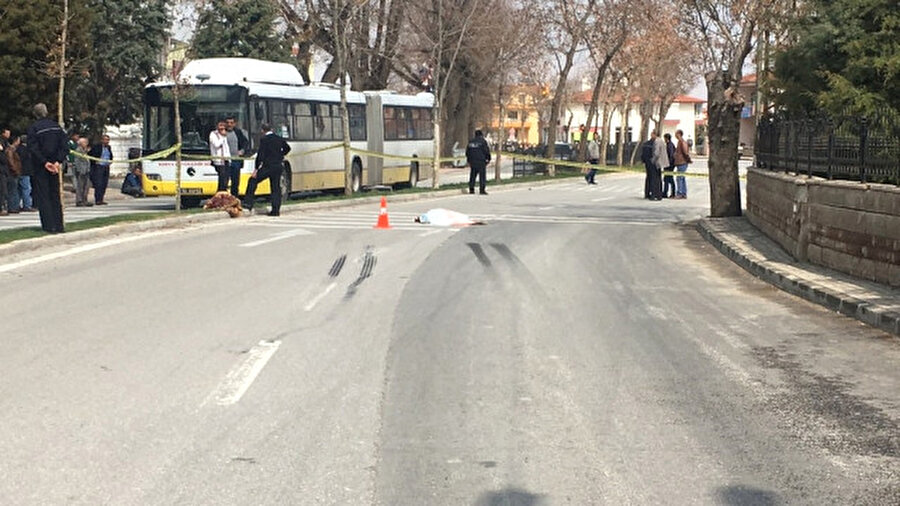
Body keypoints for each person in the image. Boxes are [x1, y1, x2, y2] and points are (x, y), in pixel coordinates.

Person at [26, 103, 68, 233]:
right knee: (55, 195)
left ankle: (49, 225)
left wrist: (45, 162)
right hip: (54, 166)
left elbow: (33, 148)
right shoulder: (57, 127)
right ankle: (59, 224)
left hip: (41, 166)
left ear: (35, 114)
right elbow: (64, 146)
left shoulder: (34, 128)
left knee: (44, 196)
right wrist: (57, 161)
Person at [242, 123, 290, 216]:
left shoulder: (264, 140)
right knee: (275, 188)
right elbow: (287, 148)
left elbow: (260, 155)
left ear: (262, 130)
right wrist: (281, 155)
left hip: (268, 166)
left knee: (252, 181)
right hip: (278, 166)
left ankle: (248, 203)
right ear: (271, 129)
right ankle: (275, 210)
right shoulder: (278, 138)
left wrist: (256, 169)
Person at [225, 116, 250, 197]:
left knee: (235, 180)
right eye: (227, 123)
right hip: (225, 160)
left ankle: (234, 197)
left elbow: (245, 143)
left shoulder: (238, 132)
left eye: (231, 123)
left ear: (234, 124)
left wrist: (242, 151)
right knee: (224, 180)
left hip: (236, 160)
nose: (229, 124)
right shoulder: (222, 133)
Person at [465, 129, 491, 195]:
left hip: (473, 161)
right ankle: (482, 190)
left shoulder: (470, 142)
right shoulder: (482, 141)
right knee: (482, 176)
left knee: (473, 175)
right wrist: (488, 159)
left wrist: (469, 160)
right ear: (481, 135)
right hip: (481, 161)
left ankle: (471, 189)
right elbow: (486, 151)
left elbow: (467, 152)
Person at [89, 134, 113, 205]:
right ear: (102, 140)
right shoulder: (97, 147)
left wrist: (110, 160)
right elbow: (90, 155)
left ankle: (101, 198)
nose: (107, 141)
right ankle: (98, 199)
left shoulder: (108, 147)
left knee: (104, 183)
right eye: (105, 140)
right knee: (99, 183)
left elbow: (110, 155)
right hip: (99, 167)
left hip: (106, 166)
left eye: (108, 140)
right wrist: (95, 162)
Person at [209, 120, 231, 192]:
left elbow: (226, 147)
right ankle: (220, 193)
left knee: (226, 179)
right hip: (218, 161)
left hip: (226, 160)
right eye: (220, 125)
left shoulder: (226, 134)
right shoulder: (213, 134)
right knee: (222, 179)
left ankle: (223, 194)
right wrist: (223, 137)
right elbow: (216, 145)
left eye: (223, 125)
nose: (222, 127)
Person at [16, 134, 35, 212]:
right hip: (25, 171)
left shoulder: (18, 149)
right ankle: (27, 205)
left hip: (19, 171)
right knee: (26, 188)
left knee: (19, 190)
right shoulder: (27, 150)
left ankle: (16, 205)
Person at [72, 137, 92, 206]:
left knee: (86, 186)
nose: (86, 144)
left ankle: (85, 200)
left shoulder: (85, 150)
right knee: (80, 186)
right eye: (84, 142)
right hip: (81, 171)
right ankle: (79, 201)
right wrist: (79, 170)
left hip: (87, 170)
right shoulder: (78, 150)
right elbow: (77, 161)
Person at [6, 136, 23, 213]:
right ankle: (13, 207)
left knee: (14, 189)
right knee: (13, 190)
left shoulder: (11, 149)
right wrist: (15, 170)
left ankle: (14, 206)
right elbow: (11, 161)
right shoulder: (11, 150)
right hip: (12, 173)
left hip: (13, 172)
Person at [673, 129, 692, 199]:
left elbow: (685, 152)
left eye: (676, 134)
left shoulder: (682, 142)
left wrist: (688, 159)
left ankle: (680, 193)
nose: (675, 135)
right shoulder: (679, 142)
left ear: (679, 134)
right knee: (682, 178)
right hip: (680, 162)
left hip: (682, 162)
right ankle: (684, 193)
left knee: (679, 178)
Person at [651, 130, 668, 201]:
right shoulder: (661, 141)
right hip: (661, 162)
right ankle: (659, 194)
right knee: (659, 178)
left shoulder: (657, 141)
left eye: (651, 134)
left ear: (654, 134)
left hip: (657, 162)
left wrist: (653, 160)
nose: (651, 136)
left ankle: (656, 194)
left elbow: (656, 153)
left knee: (655, 179)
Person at [640, 134, 657, 200]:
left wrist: (643, 161)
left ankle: (647, 193)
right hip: (653, 163)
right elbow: (655, 154)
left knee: (648, 178)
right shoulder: (654, 144)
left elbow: (643, 154)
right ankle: (653, 194)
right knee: (653, 178)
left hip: (647, 163)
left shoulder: (645, 144)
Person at [662, 133, 676, 198]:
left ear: (666, 138)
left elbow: (670, 155)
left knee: (668, 178)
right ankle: (667, 192)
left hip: (669, 165)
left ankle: (667, 192)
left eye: (664, 138)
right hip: (669, 164)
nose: (664, 139)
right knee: (668, 178)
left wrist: (668, 164)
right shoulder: (670, 145)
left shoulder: (669, 145)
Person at [0, 127, 9, 215]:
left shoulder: (5, 143)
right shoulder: (3, 142)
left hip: (3, 170)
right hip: (2, 170)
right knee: (2, 189)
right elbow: (3, 158)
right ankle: (2, 207)